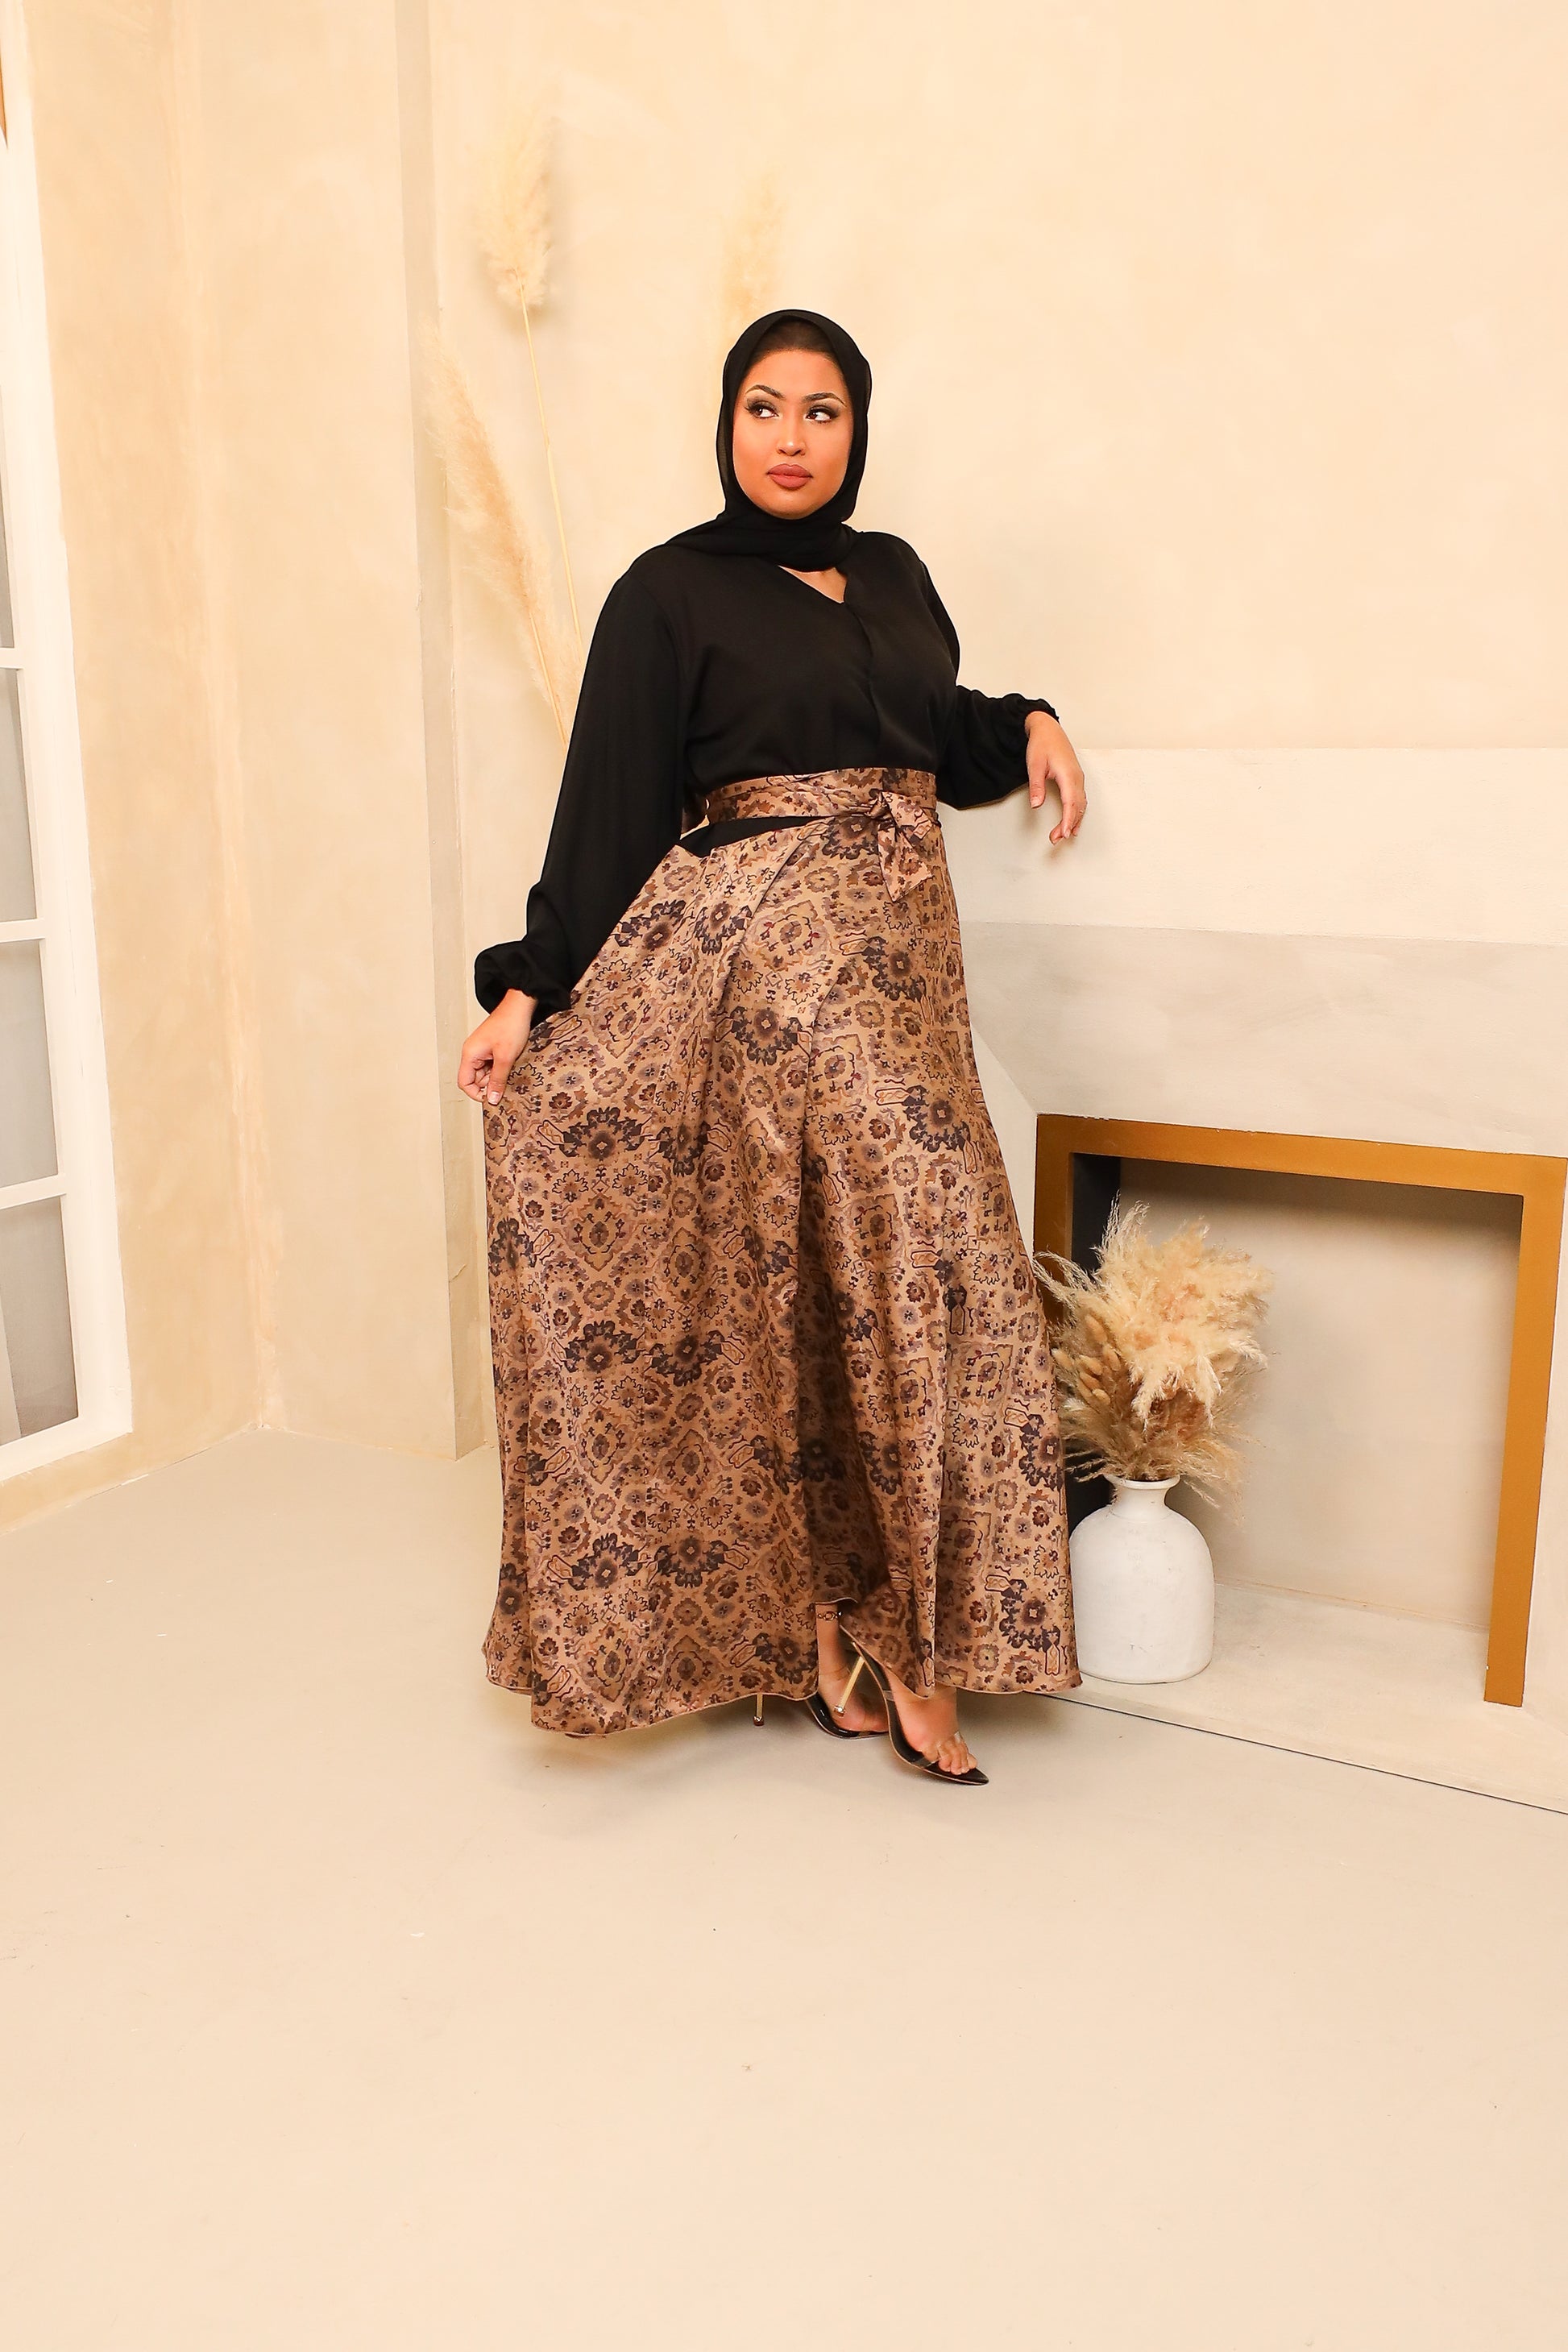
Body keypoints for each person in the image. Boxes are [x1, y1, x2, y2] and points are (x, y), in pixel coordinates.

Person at [458, 308, 1085, 1783]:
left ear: (856, 429)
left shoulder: (895, 572)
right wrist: (527, 989)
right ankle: (914, 1658)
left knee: (837, 1289)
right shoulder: (666, 591)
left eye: (820, 410)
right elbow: (609, 800)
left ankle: (823, 1634)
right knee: (918, 1246)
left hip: (906, 967)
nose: (790, 438)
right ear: (725, 422)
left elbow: (928, 727)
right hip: (769, 965)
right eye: (762, 406)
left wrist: (1029, 718)